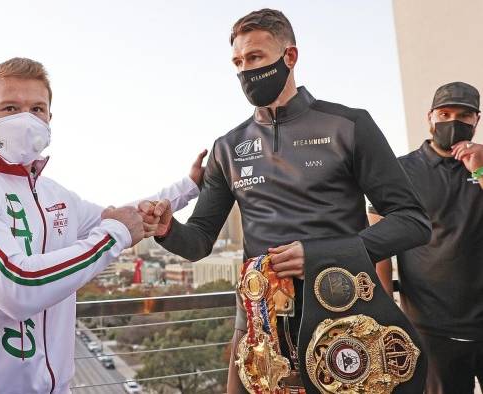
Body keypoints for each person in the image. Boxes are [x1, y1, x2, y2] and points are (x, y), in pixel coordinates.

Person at [145, 8, 431, 392]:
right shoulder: (227, 148)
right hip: (259, 330)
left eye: (255, 57)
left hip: (344, 320)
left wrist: (323, 254)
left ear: (289, 57)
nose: (245, 71)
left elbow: (413, 221)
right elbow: (198, 241)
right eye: (238, 62)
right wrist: (167, 230)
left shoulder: (349, 125)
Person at [0, 57, 205, 393]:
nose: (26, 119)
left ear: (50, 118)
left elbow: (125, 215)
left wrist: (189, 187)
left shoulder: (53, 194)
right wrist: (114, 236)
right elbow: (17, 285)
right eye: (10, 108)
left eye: (37, 109)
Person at [372, 81, 483, 394]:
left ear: (476, 120)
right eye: (444, 113)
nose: (452, 122)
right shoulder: (401, 171)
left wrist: (481, 170)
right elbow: (380, 244)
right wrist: (385, 312)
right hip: (434, 331)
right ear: (430, 117)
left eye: (463, 115)